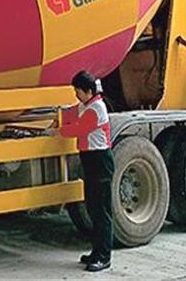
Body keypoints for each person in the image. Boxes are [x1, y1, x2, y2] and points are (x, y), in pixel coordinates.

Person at [56, 71, 115, 272]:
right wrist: (58, 117)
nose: (76, 94)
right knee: (93, 208)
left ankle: (104, 256)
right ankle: (97, 251)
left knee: (101, 212)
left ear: (89, 91)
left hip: (99, 161)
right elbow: (70, 113)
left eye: (78, 91)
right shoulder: (85, 105)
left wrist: (58, 131)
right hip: (90, 160)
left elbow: (78, 129)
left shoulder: (96, 109)